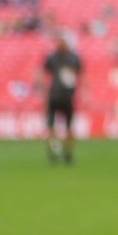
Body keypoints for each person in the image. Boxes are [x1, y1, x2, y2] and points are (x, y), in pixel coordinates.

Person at [40, 30, 82, 165]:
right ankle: (53, 152)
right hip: (54, 96)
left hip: (68, 97)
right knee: (50, 127)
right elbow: (43, 74)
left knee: (69, 127)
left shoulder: (74, 58)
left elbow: (81, 75)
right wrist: (43, 93)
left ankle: (67, 153)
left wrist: (83, 93)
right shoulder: (51, 58)